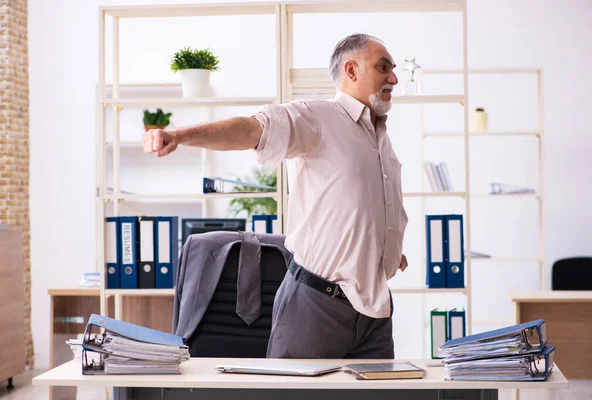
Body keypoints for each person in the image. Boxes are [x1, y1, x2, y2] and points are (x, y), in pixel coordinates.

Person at [143, 33, 409, 359]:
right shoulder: (315, 117)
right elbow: (251, 130)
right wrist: (178, 136)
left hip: (376, 312)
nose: (393, 78)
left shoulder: (380, 136)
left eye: (393, 69)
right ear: (351, 71)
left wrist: (385, 249)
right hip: (317, 306)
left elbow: (364, 205)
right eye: (383, 67)